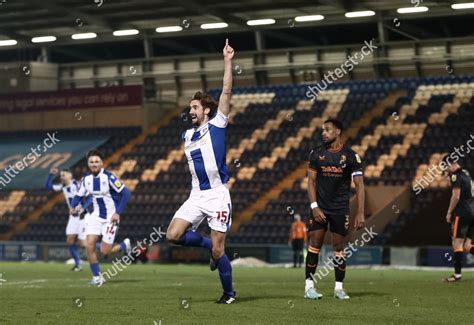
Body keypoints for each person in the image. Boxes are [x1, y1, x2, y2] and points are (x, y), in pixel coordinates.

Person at [166, 39, 236, 304]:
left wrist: (227, 61)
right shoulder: (187, 134)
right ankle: (206, 245)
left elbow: (227, 93)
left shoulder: (217, 123)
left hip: (217, 195)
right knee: (173, 235)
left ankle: (229, 294)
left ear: (206, 110)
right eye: (190, 107)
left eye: (194, 107)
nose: (190, 110)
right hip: (196, 195)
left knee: (221, 249)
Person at [304, 119, 365, 300]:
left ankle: (339, 288)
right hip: (320, 208)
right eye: (322, 130)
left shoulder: (352, 156)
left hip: (340, 209)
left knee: (339, 248)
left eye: (327, 129)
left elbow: (359, 185)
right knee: (314, 245)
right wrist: (314, 207)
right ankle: (309, 287)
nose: (323, 133)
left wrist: (360, 212)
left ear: (338, 131)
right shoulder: (316, 153)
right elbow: (311, 181)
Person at [71, 150, 131, 286]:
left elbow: (126, 194)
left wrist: (118, 212)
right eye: (91, 162)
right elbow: (78, 196)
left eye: (96, 161)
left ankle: (124, 245)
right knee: (89, 245)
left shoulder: (109, 177)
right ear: (88, 164)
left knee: (105, 252)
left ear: (102, 163)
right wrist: (73, 206)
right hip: (96, 217)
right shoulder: (86, 180)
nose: (94, 164)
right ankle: (97, 277)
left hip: (111, 218)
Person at [46, 167, 92, 271]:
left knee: (83, 244)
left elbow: (90, 197)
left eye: (63, 175)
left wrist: (83, 207)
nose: (61, 177)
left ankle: (106, 246)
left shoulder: (78, 184)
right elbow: (48, 187)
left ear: (70, 175)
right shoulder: (62, 186)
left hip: (82, 216)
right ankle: (78, 265)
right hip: (73, 217)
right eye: (61, 175)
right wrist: (51, 175)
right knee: (70, 240)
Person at [442, 157, 474, 282]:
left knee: (457, 244)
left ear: (450, 164)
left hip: (462, 213)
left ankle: (457, 275)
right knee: (467, 246)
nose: (446, 170)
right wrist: (448, 179)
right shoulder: (466, 173)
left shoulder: (455, 176)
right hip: (472, 211)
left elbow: (456, 196)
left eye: (446, 167)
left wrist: (449, 212)